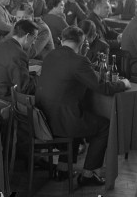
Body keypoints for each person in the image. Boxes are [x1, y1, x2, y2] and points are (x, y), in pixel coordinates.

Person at [36, 26, 130, 186]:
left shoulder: (50, 55)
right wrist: (123, 83)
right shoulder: (79, 61)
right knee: (104, 126)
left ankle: (63, 169)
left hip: (43, 119)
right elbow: (102, 88)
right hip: (63, 122)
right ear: (82, 43)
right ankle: (88, 174)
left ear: (61, 40)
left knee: (79, 114)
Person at [0, 19, 39, 96]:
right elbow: (23, 88)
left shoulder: (1, 45)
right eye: (34, 38)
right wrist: (39, 78)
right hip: (4, 101)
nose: (34, 42)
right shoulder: (19, 54)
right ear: (27, 36)